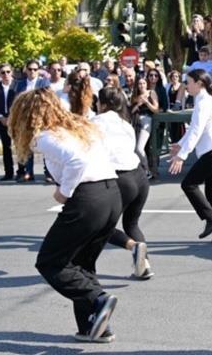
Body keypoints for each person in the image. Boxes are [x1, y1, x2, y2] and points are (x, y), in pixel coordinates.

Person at [8, 89, 122, 343]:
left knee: (50, 262)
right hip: (111, 194)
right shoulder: (78, 126)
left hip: (88, 197)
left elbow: (76, 161)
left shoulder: (44, 136)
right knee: (81, 265)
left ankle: (98, 299)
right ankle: (94, 327)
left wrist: (64, 191)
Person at [167, 69, 212, 243]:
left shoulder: (203, 102)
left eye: (188, 82)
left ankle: (211, 219)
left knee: (189, 184)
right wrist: (180, 145)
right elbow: (193, 130)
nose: (186, 86)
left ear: (199, 84)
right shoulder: (204, 101)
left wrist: (182, 155)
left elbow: (196, 131)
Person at [94, 87, 152, 280]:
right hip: (139, 176)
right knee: (132, 223)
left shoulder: (96, 122)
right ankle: (144, 265)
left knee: (101, 226)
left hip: (121, 178)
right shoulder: (124, 123)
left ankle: (134, 248)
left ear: (102, 104)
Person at [15, 59, 50, 182]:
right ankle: (28, 172)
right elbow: (17, 101)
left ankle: (48, 173)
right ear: (26, 70)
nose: (32, 72)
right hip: (25, 119)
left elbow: (46, 100)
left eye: (35, 69)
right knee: (27, 146)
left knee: (45, 145)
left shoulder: (44, 83)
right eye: (30, 69)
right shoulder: (20, 84)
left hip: (40, 118)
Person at [0, 63, 17, 181]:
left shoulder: (18, 85)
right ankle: (8, 172)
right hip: (2, 121)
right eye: (3, 72)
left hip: (16, 119)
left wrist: (12, 117)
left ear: (11, 72)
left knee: (19, 146)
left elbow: (21, 103)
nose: (6, 74)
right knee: (6, 147)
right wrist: (1, 117)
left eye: (8, 72)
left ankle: (22, 172)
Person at [130, 76, 160, 177]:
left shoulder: (151, 93)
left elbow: (156, 109)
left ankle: (147, 170)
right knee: (134, 148)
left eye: (143, 83)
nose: (142, 85)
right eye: (139, 83)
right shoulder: (135, 96)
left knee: (139, 148)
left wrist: (146, 102)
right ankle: (140, 170)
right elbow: (131, 111)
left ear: (146, 84)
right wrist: (139, 103)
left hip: (146, 120)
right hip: (135, 121)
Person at [166, 69, 185, 143]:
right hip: (170, 108)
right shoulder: (168, 86)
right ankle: (173, 141)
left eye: (177, 76)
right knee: (172, 126)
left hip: (179, 108)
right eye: (173, 76)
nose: (175, 78)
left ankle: (181, 141)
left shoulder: (182, 86)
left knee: (180, 126)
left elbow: (184, 97)